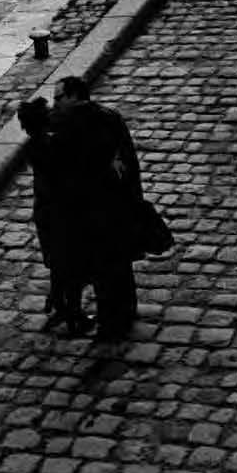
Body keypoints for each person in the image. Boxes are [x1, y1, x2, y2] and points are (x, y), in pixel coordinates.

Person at [50, 76, 144, 341]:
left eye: (59, 98)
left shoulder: (70, 126)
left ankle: (110, 324)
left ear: (74, 96)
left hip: (92, 211)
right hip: (117, 205)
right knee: (120, 264)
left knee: (101, 268)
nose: (55, 104)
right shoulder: (110, 116)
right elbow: (129, 159)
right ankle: (126, 312)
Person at [17, 97, 93, 334]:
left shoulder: (32, 147)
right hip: (63, 212)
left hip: (45, 212)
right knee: (73, 264)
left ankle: (59, 303)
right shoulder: (55, 146)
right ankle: (74, 313)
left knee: (58, 263)